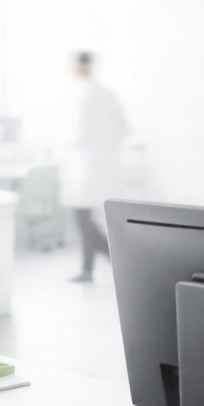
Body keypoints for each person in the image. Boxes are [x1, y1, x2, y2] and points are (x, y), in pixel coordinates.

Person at [61, 52, 129, 283]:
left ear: (82, 66)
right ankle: (87, 270)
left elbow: (80, 133)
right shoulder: (107, 93)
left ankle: (115, 259)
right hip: (103, 166)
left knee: (82, 217)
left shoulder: (85, 93)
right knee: (85, 217)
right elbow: (123, 128)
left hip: (86, 167)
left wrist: (66, 147)